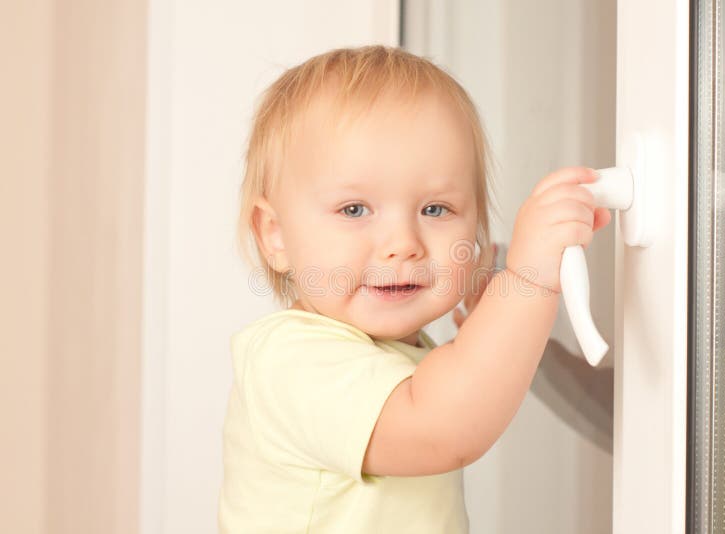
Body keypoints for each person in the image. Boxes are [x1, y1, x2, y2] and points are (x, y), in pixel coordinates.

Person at [218, 45, 611, 533]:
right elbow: (441, 425)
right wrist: (526, 281)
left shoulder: (404, 355)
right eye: (354, 210)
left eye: (434, 210)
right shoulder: (289, 360)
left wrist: (492, 325)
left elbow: (457, 389)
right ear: (275, 234)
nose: (402, 245)